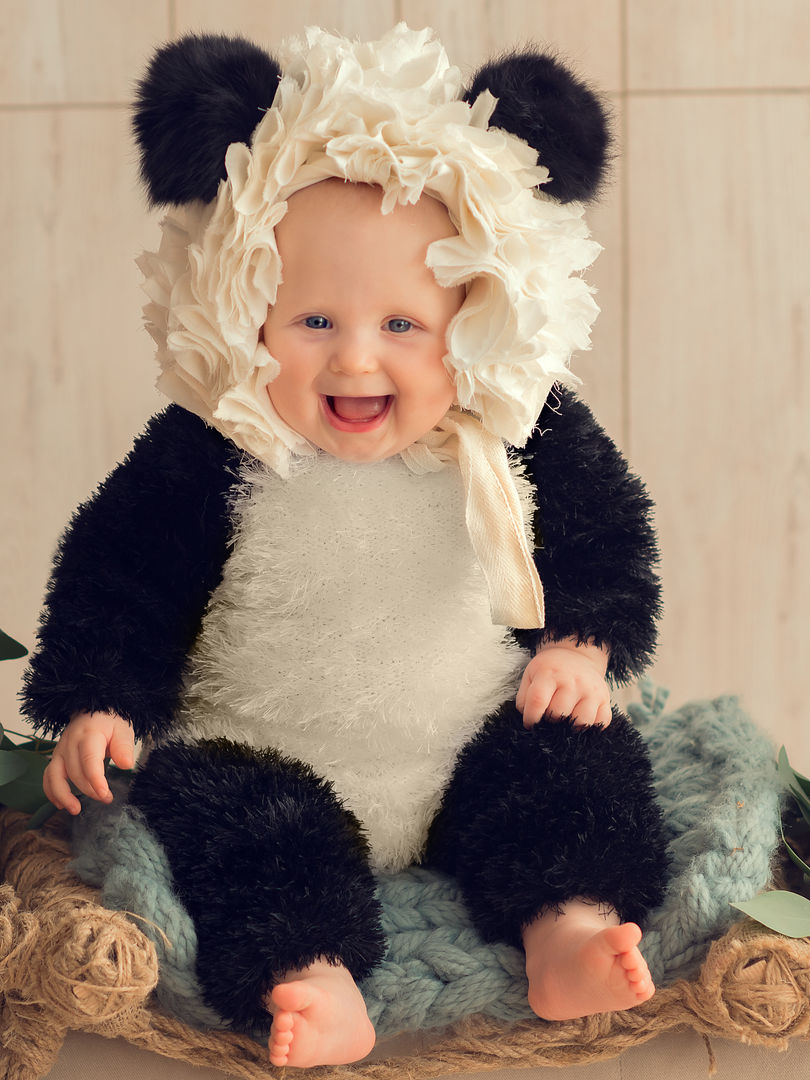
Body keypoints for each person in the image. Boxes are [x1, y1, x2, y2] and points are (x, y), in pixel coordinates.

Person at [20, 25, 669, 1069]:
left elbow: (604, 537)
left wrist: (581, 646)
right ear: (241, 308)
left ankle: (569, 927)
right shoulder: (214, 445)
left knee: (574, 769)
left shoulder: (512, 429)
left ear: (475, 316)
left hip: (472, 749)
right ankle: (310, 974)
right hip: (270, 753)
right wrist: (102, 698)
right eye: (313, 319)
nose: (356, 359)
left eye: (403, 326)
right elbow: (120, 573)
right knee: (226, 822)